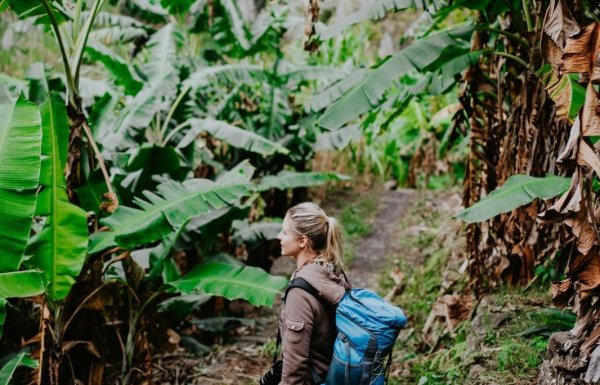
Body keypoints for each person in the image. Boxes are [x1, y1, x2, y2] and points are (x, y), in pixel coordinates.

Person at [275, 202, 351, 385]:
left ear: (302, 241)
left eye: (285, 232)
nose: (279, 237)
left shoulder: (300, 293)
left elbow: (294, 365)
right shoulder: (334, 272)